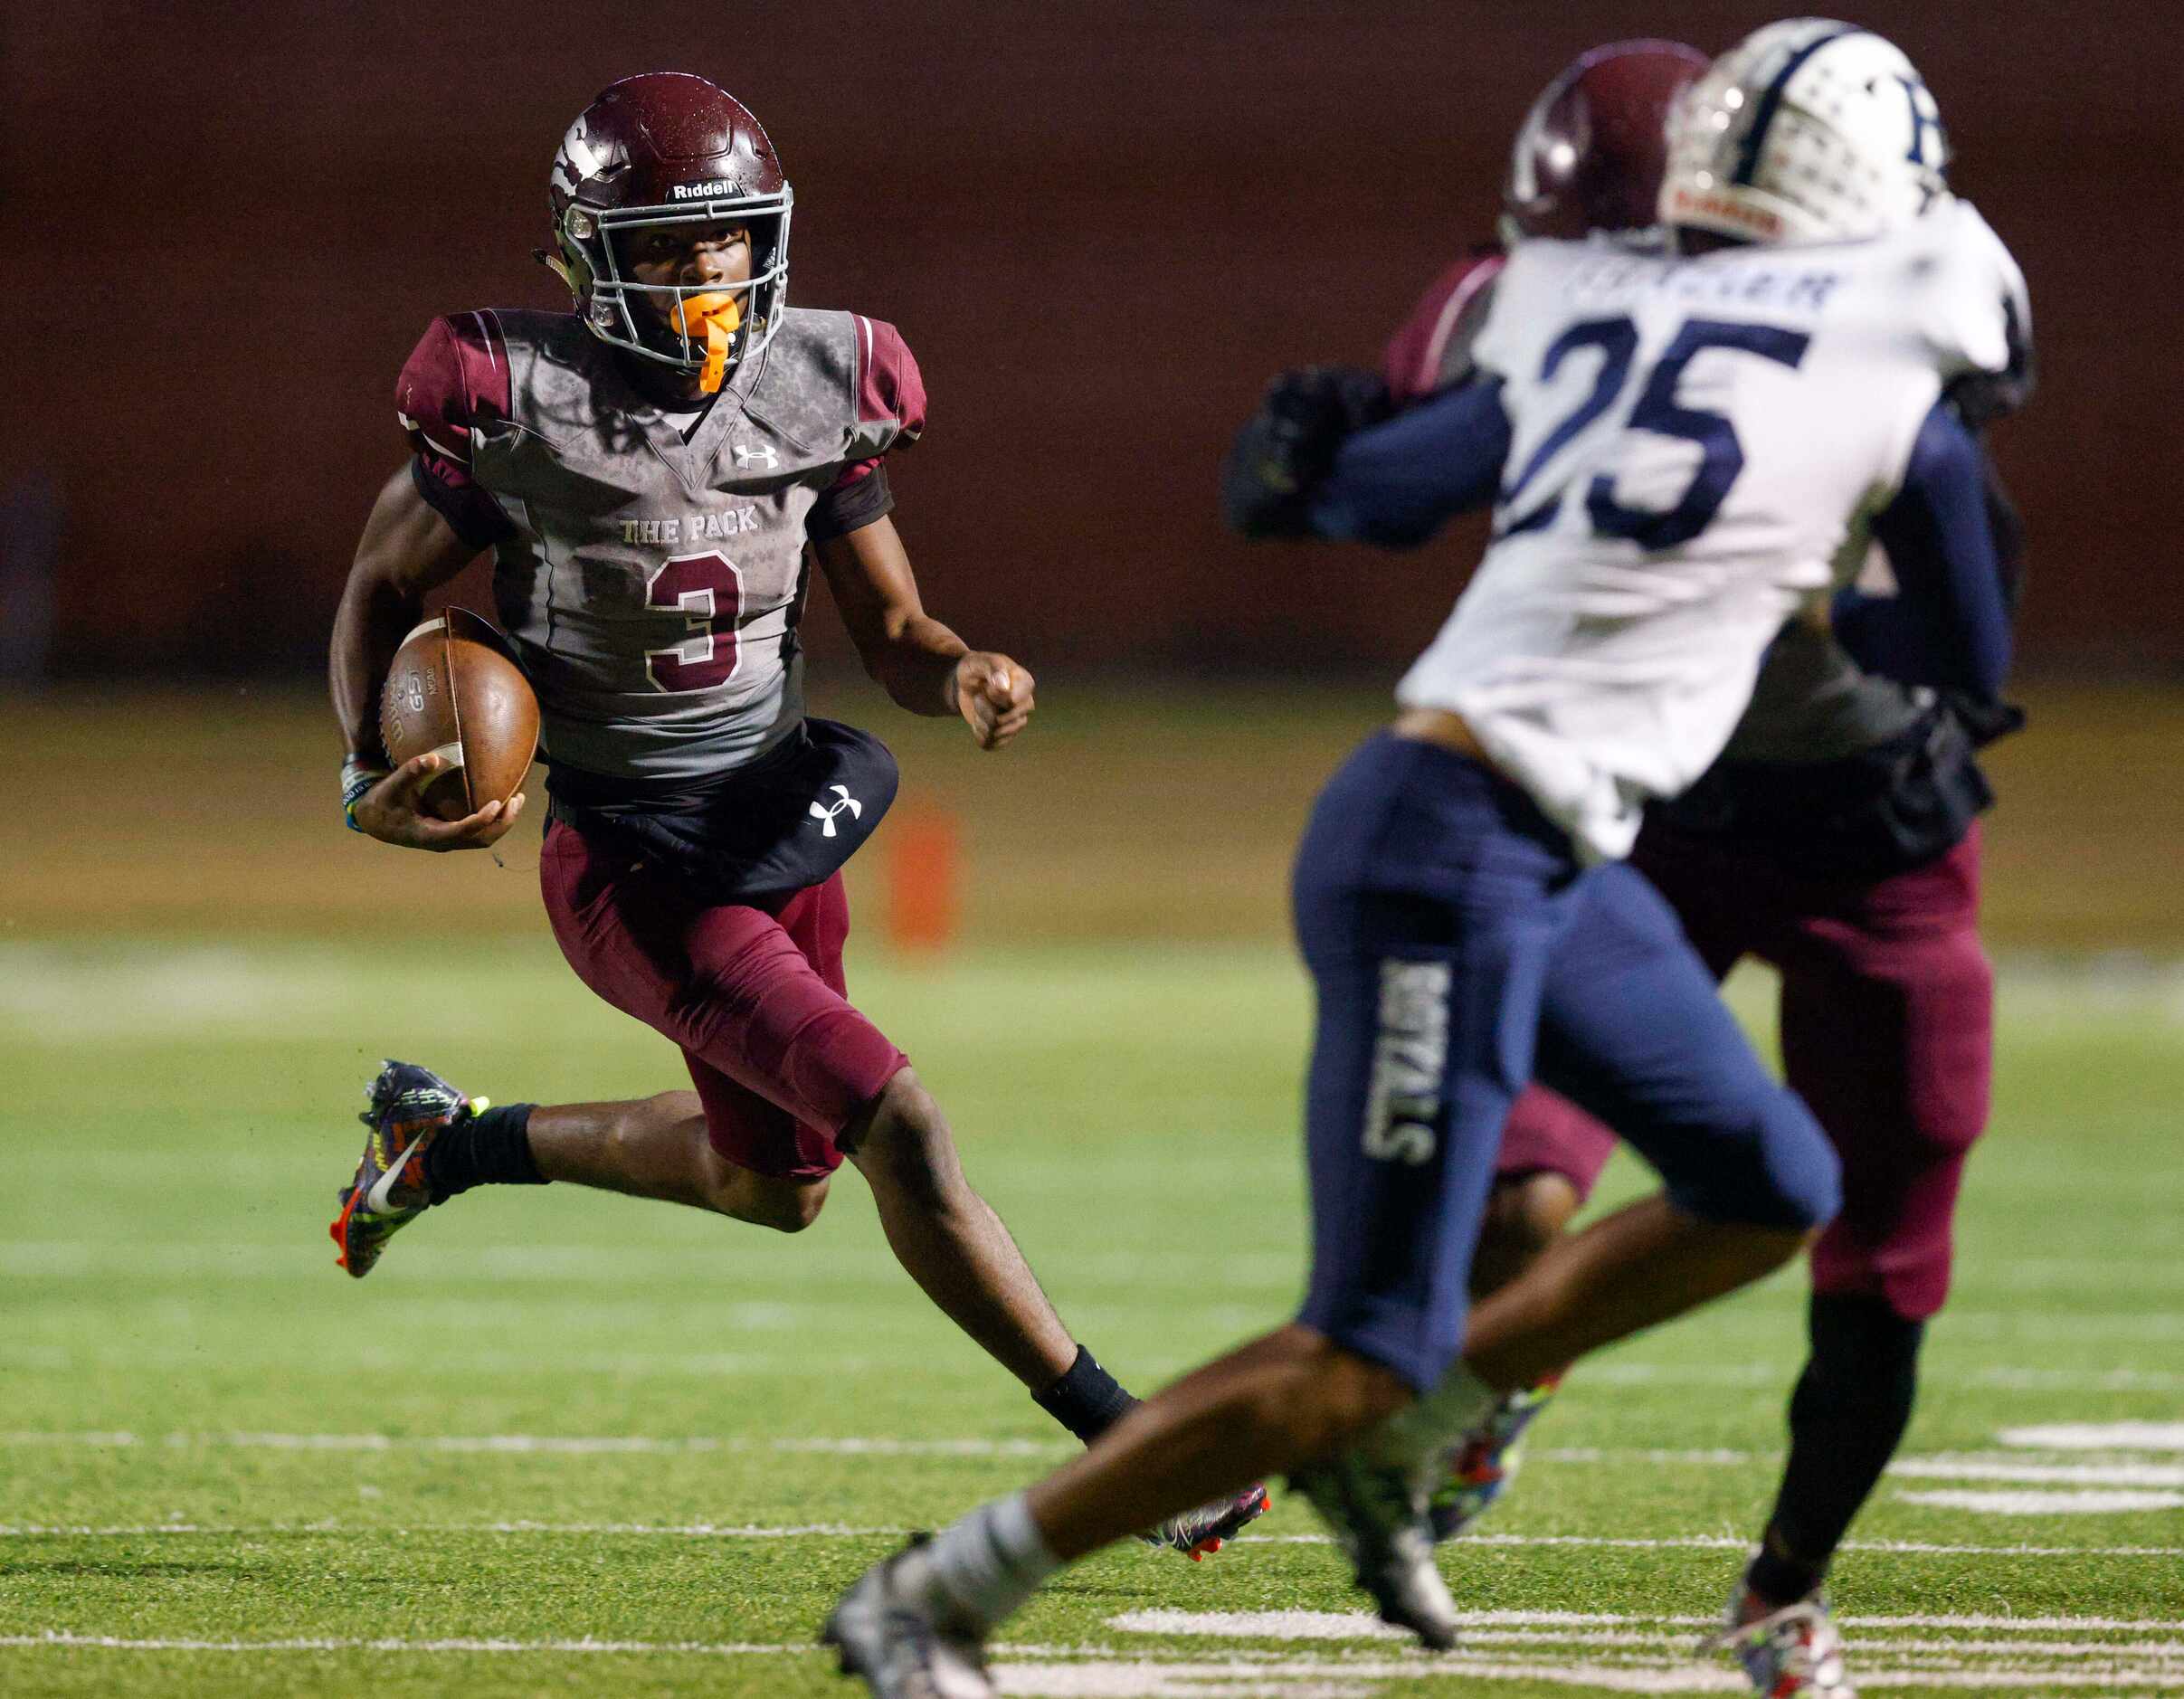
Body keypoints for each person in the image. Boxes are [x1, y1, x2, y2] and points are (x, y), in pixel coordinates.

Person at [820, 17, 2031, 1691]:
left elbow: (1363, 490)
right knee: (1361, 1340)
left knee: (1772, 1181)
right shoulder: (1894, 369)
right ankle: (940, 1593)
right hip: (1450, 853)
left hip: (1544, 843)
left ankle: (1417, 1426)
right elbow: (1965, 649)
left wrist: (1330, 458)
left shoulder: (1584, 304)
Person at [326, 71, 1266, 1558]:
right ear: (582, 255)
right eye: (661, 245)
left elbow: (891, 632)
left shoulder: (825, 382)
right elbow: (382, 587)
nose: (700, 275)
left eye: (722, 241)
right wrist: (354, 766)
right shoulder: (518, 404)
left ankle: (445, 1146)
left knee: (772, 1186)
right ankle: (1126, 1446)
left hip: (783, 812)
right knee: (896, 1116)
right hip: (637, 857)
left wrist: (959, 669)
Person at [1385, 26, 2032, 1699]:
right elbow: (1428, 383)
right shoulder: (1584, 298)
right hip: (1654, 808)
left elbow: (1968, 614)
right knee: (1524, 1184)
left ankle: (1781, 1586)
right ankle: (1476, 1386)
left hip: (1876, 821)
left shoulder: (1900, 328)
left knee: (1885, 1261)